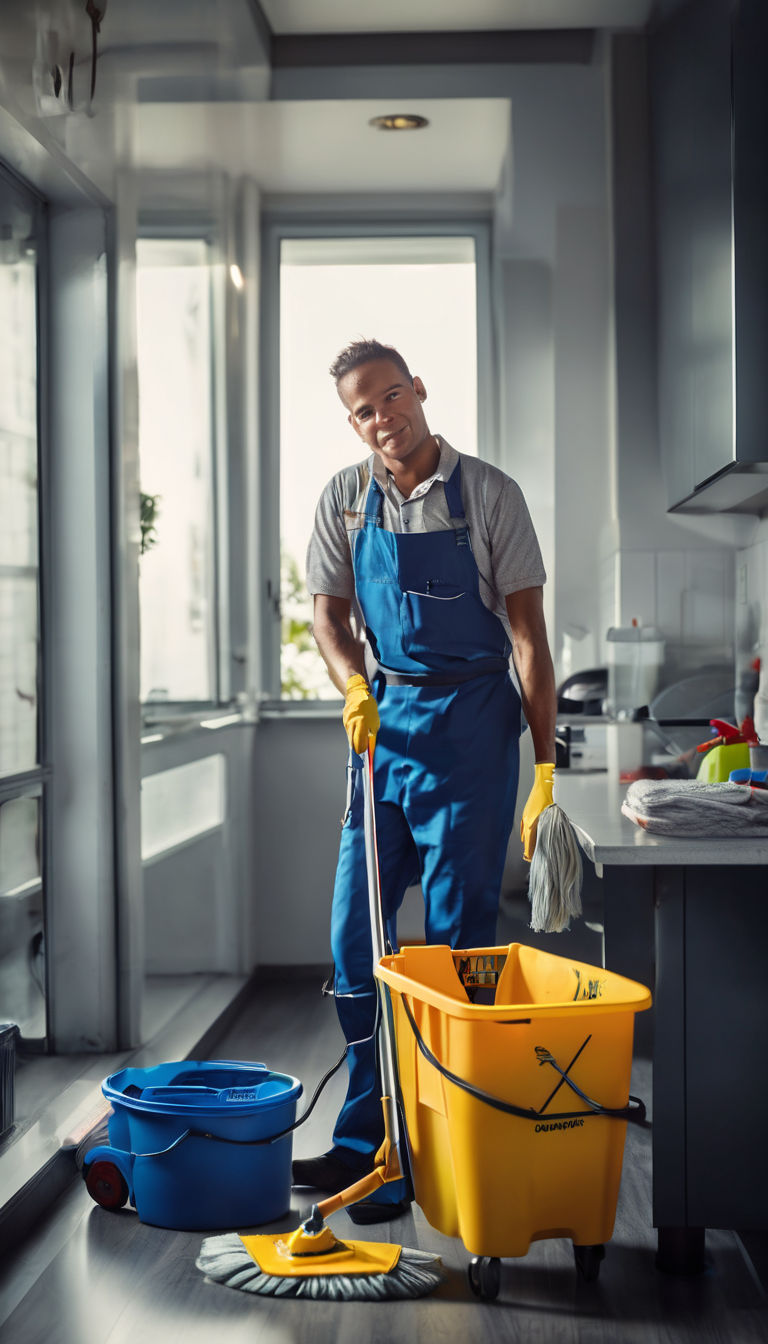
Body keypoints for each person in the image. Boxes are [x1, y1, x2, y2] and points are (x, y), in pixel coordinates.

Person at [293, 338, 557, 1223]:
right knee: (353, 943)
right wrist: (354, 687)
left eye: (391, 397)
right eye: (363, 410)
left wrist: (545, 769)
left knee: (454, 948)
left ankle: (437, 1146)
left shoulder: (490, 496)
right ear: (354, 423)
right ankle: (367, 1137)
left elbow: (528, 640)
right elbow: (329, 617)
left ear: (418, 389)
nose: (383, 419)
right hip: (383, 731)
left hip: (474, 730)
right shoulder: (345, 498)